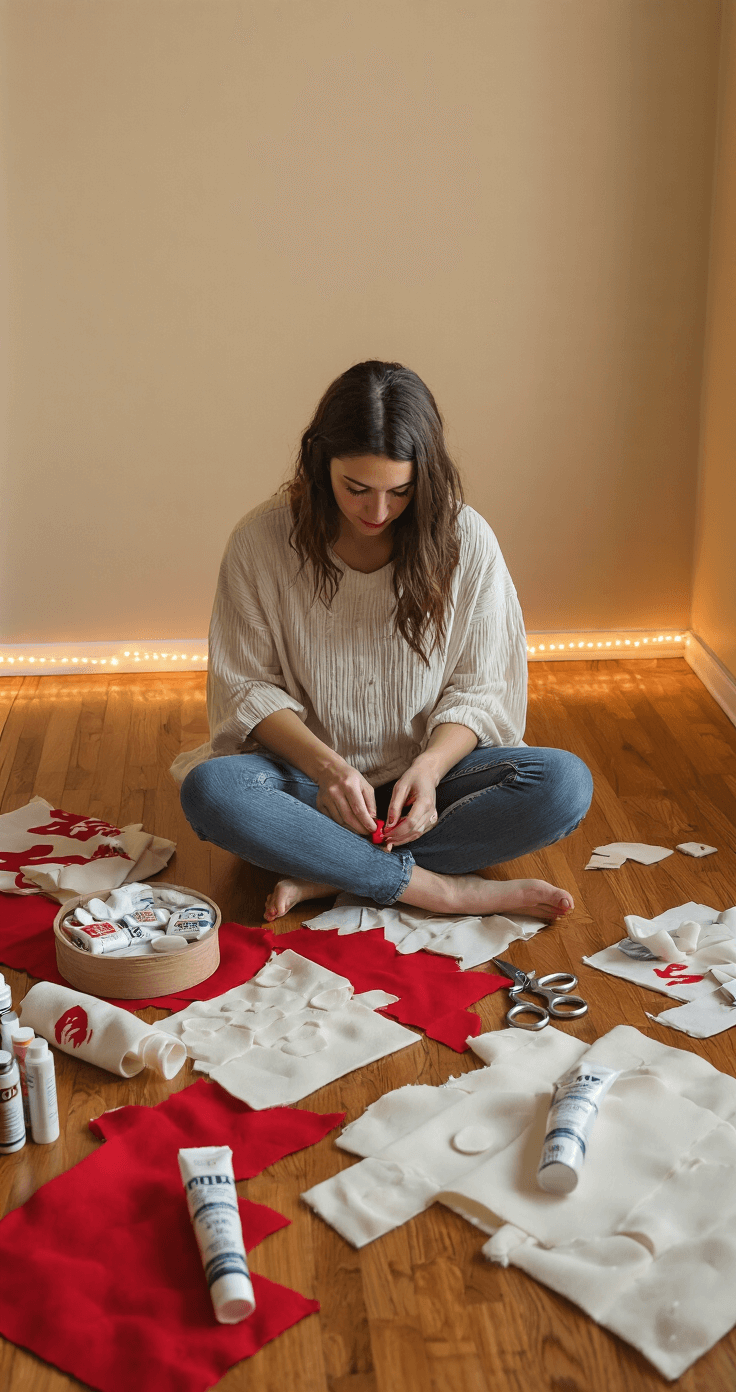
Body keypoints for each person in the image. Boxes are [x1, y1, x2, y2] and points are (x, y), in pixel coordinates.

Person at [172, 360, 593, 924]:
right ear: (321, 463)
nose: (376, 511)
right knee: (211, 792)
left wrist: (432, 768)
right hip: (309, 783)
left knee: (563, 786)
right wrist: (329, 770)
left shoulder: (465, 538)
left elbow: (483, 686)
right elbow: (246, 689)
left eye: (400, 491)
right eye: (356, 488)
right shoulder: (260, 541)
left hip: (428, 787)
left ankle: (330, 872)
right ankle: (440, 890)